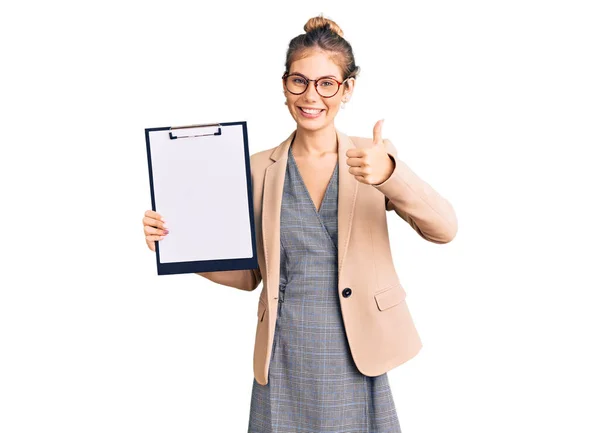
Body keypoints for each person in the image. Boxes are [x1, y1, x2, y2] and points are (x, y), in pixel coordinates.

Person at [142, 15, 458, 433]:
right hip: (285, 348)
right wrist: (178, 246)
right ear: (285, 85)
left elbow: (444, 228)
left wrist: (389, 174)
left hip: (355, 346)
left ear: (347, 89)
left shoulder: (372, 155)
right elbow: (249, 274)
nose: (312, 96)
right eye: (300, 81)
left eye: (327, 83)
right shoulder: (257, 170)